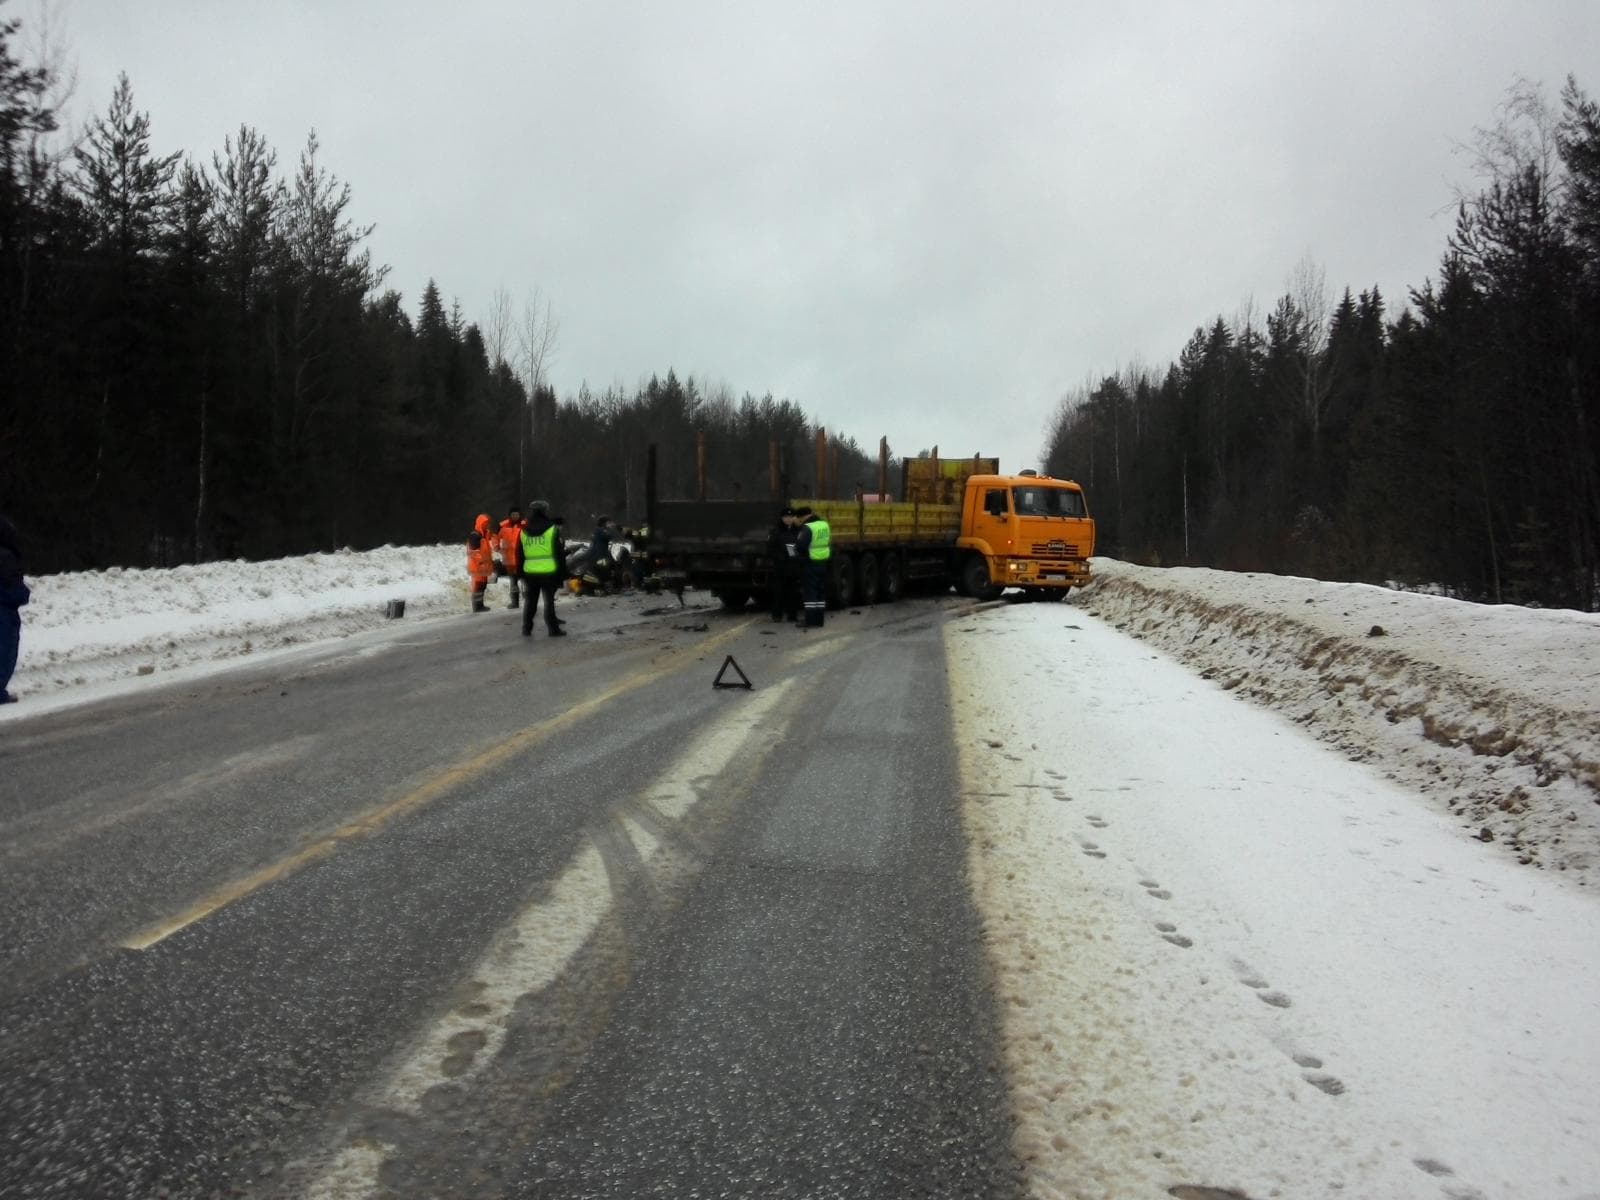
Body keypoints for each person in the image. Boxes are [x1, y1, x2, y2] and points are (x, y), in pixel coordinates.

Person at [520, 500, 568, 637]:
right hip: (548, 571)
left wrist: (520, 572)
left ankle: (526, 628)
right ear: (545, 511)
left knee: (530, 602)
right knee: (549, 602)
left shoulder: (524, 530)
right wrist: (562, 572)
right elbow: (558, 552)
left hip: (530, 571)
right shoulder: (551, 528)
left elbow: (520, 552)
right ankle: (553, 629)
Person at [0, 515, 26, 703]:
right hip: (4, 610)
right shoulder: (6, 557)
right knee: (5, 650)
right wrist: (22, 594)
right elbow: (10, 587)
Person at [793, 505, 830, 629]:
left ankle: (810, 620)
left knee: (810, 593)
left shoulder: (807, 528)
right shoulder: (824, 525)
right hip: (823, 562)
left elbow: (800, 546)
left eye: (798, 518)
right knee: (820, 593)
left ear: (802, 517)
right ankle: (819, 620)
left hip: (810, 563)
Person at [767, 507, 801, 623]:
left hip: (793, 566)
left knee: (793, 592)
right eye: (786, 517)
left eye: (791, 517)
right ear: (782, 518)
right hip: (780, 567)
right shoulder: (776, 531)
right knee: (779, 592)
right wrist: (780, 557)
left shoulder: (797, 531)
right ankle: (777, 615)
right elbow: (770, 549)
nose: (788, 519)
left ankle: (792, 615)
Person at [467, 513, 496, 612]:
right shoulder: (475, 535)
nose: (488, 525)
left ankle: (480, 605)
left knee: (482, 586)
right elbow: (474, 552)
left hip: (483, 566)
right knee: (478, 586)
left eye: (488, 523)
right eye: (486, 523)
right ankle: (477, 607)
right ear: (481, 523)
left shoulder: (485, 534)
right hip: (477, 566)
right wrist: (481, 562)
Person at [497, 506, 525, 608]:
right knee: (513, 582)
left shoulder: (524, 525)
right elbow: (496, 538)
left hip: (522, 558)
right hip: (509, 560)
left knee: (525, 580)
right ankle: (515, 602)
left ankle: (528, 599)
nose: (515, 516)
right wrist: (497, 548)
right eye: (513, 514)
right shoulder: (503, 526)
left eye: (517, 514)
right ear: (510, 515)